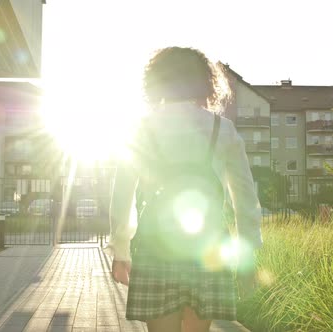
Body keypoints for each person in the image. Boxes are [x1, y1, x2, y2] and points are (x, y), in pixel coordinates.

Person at [105, 46, 263, 332]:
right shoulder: (222, 129)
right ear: (205, 82)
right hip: (208, 247)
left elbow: (122, 194)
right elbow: (245, 200)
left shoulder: (141, 129)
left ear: (155, 82)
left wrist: (121, 249)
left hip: (156, 248)